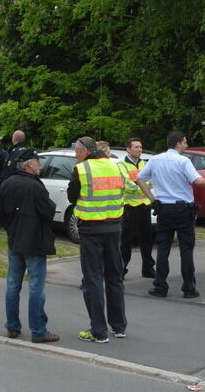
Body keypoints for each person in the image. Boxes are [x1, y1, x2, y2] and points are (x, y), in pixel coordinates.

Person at [136, 131, 205, 299]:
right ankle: (188, 288)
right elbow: (198, 181)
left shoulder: (155, 160)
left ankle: (160, 286)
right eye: (185, 142)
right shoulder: (183, 161)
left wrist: (152, 199)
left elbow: (140, 178)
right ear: (178, 143)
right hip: (183, 211)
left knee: (163, 249)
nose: (186, 145)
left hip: (164, 209)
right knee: (186, 250)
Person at [67, 137, 130, 343]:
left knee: (93, 279)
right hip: (115, 227)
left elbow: (71, 196)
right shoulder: (118, 166)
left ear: (85, 151)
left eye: (77, 151)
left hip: (92, 230)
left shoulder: (83, 169)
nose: (76, 154)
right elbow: (127, 189)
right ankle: (119, 326)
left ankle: (98, 331)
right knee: (114, 277)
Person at [0, 148, 59, 344]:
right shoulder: (35, 187)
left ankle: (12, 326)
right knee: (36, 287)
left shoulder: (7, 183)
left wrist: (13, 229)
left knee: (13, 284)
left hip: (15, 240)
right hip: (35, 242)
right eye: (37, 162)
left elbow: (0, 215)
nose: (39, 165)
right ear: (30, 164)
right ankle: (38, 330)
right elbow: (49, 211)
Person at [119, 138, 155, 278]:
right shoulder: (122, 165)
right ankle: (121, 269)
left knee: (147, 240)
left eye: (140, 147)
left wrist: (139, 185)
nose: (139, 149)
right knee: (126, 241)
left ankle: (148, 268)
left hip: (144, 206)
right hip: (129, 207)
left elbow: (151, 182)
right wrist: (142, 186)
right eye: (136, 147)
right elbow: (127, 186)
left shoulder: (144, 164)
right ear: (128, 149)